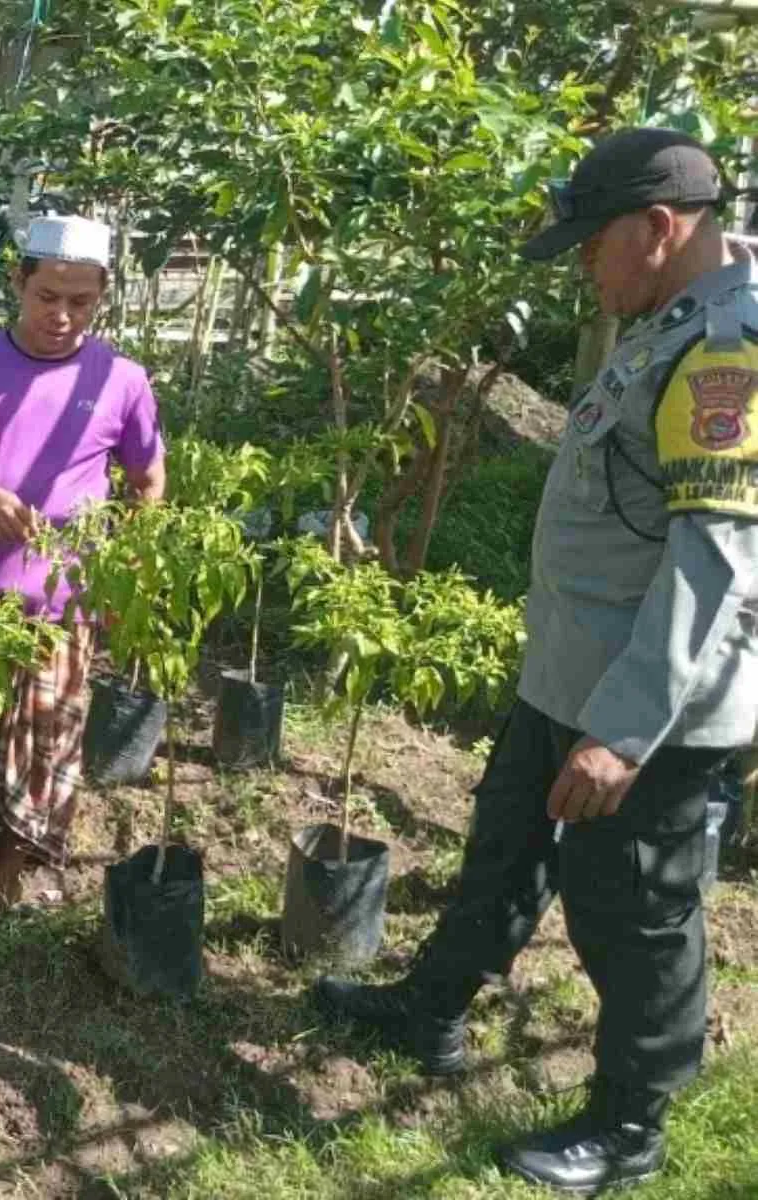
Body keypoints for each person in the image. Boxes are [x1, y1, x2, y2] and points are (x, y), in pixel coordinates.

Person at [310, 127, 758, 1194]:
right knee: (504, 848)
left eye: (591, 244)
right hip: (568, 674)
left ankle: (629, 1126)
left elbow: (716, 562)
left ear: (659, 228)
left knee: (633, 915)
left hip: (646, 711)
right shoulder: (667, 319)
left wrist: (621, 733)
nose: (581, 267)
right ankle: (429, 1012)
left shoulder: (725, 353)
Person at [0, 213, 166, 917]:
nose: (62, 315)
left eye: (81, 301)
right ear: (17, 282)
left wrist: (122, 569)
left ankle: (6, 880)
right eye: (47, 296)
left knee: (43, 754)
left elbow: (147, 482)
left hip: (59, 612)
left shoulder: (121, 380)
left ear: (102, 295)